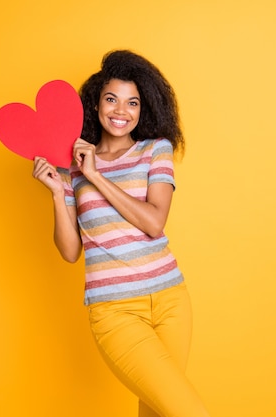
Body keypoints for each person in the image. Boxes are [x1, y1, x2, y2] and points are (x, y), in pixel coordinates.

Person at [32, 50, 211, 417]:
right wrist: (56, 191)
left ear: (143, 109)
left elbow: (153, 222)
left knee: (159, 411)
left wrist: (96, 176)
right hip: (114, 311)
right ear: (95, 103)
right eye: (111, 99)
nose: (120, 110)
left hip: (171, 301)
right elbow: (69, 252)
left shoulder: (154, 151)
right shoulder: (71, 167)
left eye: (132, 102)